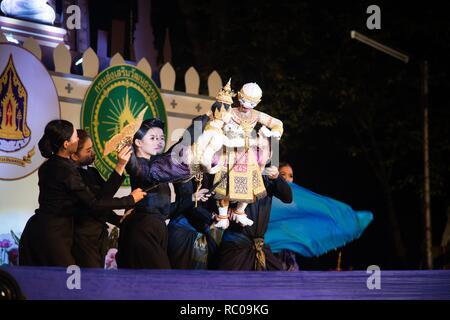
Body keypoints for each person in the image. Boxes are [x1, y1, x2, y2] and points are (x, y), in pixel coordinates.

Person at [19, 120, 146, 267]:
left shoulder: (50, 165)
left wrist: (118, 218)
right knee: (64, 279)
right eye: (75, 137)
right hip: (53, 233)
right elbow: (93, 203)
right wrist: (130, 199)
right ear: (67, 145)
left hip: (45, 228)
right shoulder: (66, 170)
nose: (78, 139)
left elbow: (91, 202)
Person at [116, 118, 210, 269]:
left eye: (161, 138)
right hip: (142, 230)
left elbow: (165, 211)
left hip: (157, 229)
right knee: (158, 280)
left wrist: (204, 119)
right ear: (138, 143)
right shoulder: (139, 166)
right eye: (152, 138)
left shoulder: (156, 163)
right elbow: (175, 154)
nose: (159, 142)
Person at [212, 82, 284, 228]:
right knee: (224, 185)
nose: (246, 105)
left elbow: (278, 123)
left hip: (247, 153)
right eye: (244, 100)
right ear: (238, 96)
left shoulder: (257, 115)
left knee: (251, 184)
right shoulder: (229, 111)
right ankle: (222, 216)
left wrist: (272, 133)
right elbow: (213, 121)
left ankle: (239, 212)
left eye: (251, 102)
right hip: (229, 151)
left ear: (257, 102)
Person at [70, 129, 133, 268]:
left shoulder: (92, 171)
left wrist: (118, 220)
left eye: (92, 148)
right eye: (88, 150)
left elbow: (104, 201)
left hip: (98, 235)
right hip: (83, 236)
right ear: (74, 155)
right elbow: (98, 202)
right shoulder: (73, 176)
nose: (93, 153)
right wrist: (120, 165)